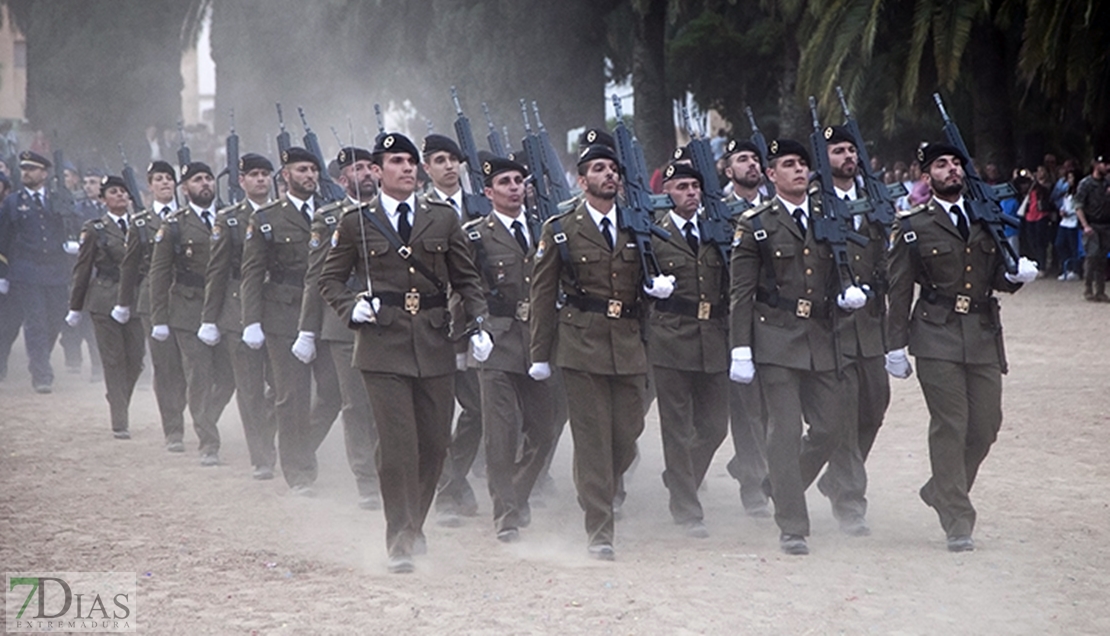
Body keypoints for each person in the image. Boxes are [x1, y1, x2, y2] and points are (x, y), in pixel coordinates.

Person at [318, 132, 489, 573]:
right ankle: (400, 537)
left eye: (412, 161)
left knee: (434, 445)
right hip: (382, 347)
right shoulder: (355, 221)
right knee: (397, 446)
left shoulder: (442, 218)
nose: (407, 168)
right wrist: (351, 306)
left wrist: (478, 324)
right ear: (377, 171)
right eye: (397, 161)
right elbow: (329, 279)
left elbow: (467, 279)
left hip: (434, 342)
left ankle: (415, 523)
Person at [886, 143, 1037, 552]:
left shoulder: (984, 217)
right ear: (926, 175)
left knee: (985, 426)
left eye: (955, 163)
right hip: (936, 332)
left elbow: (998, 277)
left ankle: (941, 488)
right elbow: (900, 289)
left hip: (983, 333)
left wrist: (1018, 275)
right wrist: (894, 345)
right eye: (941, 164)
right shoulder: (912, 224)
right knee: (951, 423)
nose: (951, 170)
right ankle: (957, 516)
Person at [529, 143, 674, 561]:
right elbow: (542, 294)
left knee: (626, 437)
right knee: (592, 440)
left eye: (612, 168)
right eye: (598, 168)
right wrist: (540, 352)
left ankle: (599, 493)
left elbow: (650, 278)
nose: (608, 174)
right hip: (581, 343)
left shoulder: (638, 225)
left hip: (628, 342)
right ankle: (599, 528)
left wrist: (656, 291)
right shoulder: (560, 229)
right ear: (582, 180)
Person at [728, 139, 868, 556]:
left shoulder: (827, 218)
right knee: (784, 432)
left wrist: (846, 292)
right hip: (775, 338)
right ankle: (792, 525)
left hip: (821, 337)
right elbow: (741, 293)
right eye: (787, 165)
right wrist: (740, 349)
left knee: (830, 428)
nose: (797, 171)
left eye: (802, 164)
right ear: (771, 175)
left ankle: (780, 484)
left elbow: (840, 268)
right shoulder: (755, 224)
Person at [240, 147, 342, 494]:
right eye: (302, 170)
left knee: (333, 392)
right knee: (291, 396)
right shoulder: (268, 217)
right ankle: (298, 472)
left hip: (325, 313)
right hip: (283, 315)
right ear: (286, 176)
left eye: (314, 169)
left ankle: (300, 448)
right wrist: (250, 320)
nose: (310, 175)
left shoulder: (331, 214)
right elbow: (252, 272)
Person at [812, 126, 891, 537]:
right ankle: (849, 501)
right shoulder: (813, 204)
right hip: (833, 327)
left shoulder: (872, 200)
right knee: (841, 417)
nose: (847, 156)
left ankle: (833, 478)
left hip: (870, 326)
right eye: (837, 150)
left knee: (875, 409)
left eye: (850, 150)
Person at [297, 146, 381, 508]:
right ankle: (366, 479)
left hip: (390, 322)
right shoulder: (329, 218)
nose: (364, 174)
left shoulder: (396, 212)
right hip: (345, 325)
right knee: (355, 404)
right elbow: (317, 277)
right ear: (341, 179)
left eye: (368, 167)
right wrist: (306, 329)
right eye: (355, 169)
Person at [650, 162, 729, 537]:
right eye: (682, 187)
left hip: (712, 337)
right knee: (676, 429)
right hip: (670, 337)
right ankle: (686, 508)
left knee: (715, 426)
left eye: (695, 186)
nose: (691, 193)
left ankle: (678, 477)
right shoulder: (654, 235)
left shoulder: (715, 232)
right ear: (667, 192)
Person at [148, 162, 236, 466]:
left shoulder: (230, 219)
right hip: (188, 309)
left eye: (209, 178)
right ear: (185, 189)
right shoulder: (174, 224)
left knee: (228, 377)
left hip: (225, 307)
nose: (205, 184)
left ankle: (205, 417)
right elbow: (159, 275)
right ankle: (208, 442)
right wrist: (159, 318)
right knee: (199, 373)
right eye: (197, 180)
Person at [198, 152, 279, 479]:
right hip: (238, 312)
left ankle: (271, 435)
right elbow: (216, 271)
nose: (261, 179)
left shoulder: (283, 214)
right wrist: (209, 318)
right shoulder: (229, 219)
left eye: (265, 174)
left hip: (279, 310)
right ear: (241, 181)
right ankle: (261, 456)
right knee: (249, 390)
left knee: (284, 388)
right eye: (254, 174)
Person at [421, 133, 485, 525]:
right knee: (438, 411)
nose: (449, 166)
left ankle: (454, 478)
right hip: (435, 322)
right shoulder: (421, 209)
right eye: (439, 160)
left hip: (475, 322)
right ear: (426, 168)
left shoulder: (481, 205)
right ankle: (446, 490)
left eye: (453, 159)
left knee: (477, 409)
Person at [116, 160, 189, 452]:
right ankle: (173, 429)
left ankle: (184, 407)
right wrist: (123, 302)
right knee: (165, 365)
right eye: (158, 179)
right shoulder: (141, 223)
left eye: (169, 179)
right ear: (150, 186)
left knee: (190, 365)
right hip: (151, 299)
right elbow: (129, 266)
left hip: (186, 297)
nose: (165, 183)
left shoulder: (187, 218)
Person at [65, 176, 145, 438]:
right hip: (105, 300)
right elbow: (83, 268)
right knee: (113, 360)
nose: (120, 196)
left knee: (135, 361)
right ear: (103, 199)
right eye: (113, 192)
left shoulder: (141, 225)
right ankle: (119, 421)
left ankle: (118, 398)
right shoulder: (95, 228)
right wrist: (75, 306)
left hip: (134, 299)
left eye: (124, 191)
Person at [719, 138, 771, 516]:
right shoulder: (715, 211)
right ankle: (754, 482)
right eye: (742, 159)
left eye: (755, 159)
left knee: (774, 409)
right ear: (728, 169)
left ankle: (758, 471)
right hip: (730, 320)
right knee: (747, 409)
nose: (750, 165)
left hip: (776, 321)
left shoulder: (776, 209)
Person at [0, 151, 72, 393]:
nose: (26, 173)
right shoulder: (12, 202)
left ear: (44, 173)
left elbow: (71, 225)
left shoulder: (58, 198)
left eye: (31, 169)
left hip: (56, 270)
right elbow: (3, 239)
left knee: (54, 320)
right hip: (26, 270)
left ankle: (41, 359)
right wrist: (2, 273)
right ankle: (41, 373)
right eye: (23, 169)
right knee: (35, 322)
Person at [1075, 155, 1110, 301]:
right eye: (1104, 164)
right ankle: (1088, 287)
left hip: (1106, 224)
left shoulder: (1107, 184)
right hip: (1092, 224)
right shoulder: (1086, 184)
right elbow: (1079, 206)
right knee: (1092, 256)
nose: (1107, 167)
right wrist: (1085, 225)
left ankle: (1100, 290)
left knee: (1102, 258)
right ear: (1096, 165)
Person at [1055, 169, 1082, 281]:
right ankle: (1067, 268)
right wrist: (1061, 210)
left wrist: (1070, 213)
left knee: (1073, 247)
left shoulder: (1079, 192)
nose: (1069, 180)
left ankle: (1075, 270)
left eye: (1071, 178)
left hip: (1073, 222)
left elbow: (1078, 207)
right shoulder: (1067, 191)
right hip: (1064, 223)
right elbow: (1064, 203)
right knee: (1059, 244)